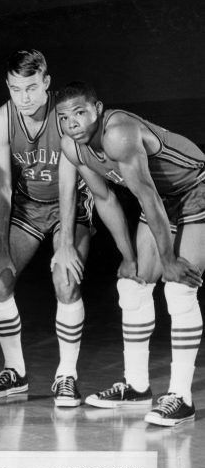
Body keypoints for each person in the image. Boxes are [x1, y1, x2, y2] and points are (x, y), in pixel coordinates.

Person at [56, 80, 204, 426]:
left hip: (196, 187)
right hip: (160, 199)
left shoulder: (118, 134)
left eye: (80, 112)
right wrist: (128, 257)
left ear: (98, 109)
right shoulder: (73, 147)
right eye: (64, 117)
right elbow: (105, 199)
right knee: (133, 284)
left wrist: (168, 261)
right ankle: (137, 387)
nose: (72, 123)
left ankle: (182, 396)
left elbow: (148, 197)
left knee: (180, 288)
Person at [0, 50, 93, 406]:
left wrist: (64, 243)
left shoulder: (62, 116)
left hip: (68, 205)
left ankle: (67, 376)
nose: (24, 97)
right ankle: (15, 372)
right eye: (16, 89)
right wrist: (0, 248)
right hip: (28, 207)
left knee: (66, 277)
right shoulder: (1, 121)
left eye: (31, 87)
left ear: (46, 82)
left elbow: (68, 179)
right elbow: (0, 187)